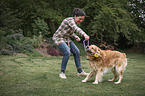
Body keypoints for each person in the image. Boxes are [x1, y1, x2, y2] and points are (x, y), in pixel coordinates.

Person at [52, 8, 89, 79]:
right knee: (67, 52)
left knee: (77, 52)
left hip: (66, 39)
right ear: (75, 16)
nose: (81, 21)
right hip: (58, 38)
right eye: (80, 19)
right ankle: (62, 73)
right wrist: (84, 34)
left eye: (82, 20)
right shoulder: (69, 20)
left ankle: (80, 72)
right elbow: (75, 28)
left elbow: (69, 32)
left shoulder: (73, 22)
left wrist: (75, 37)